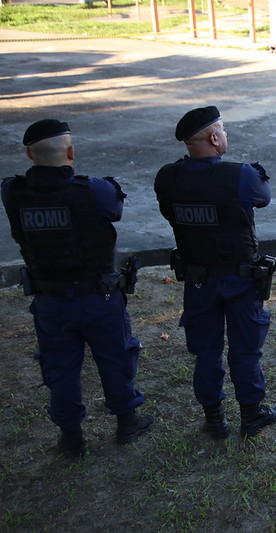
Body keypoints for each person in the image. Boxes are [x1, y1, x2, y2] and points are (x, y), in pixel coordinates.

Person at [1, 119, 153, 459]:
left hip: (50, 298)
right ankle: (127, 421)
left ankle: (71, 437)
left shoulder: (11, 191)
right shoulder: (94, 190)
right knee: (115, 357)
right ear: (71, 152)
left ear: (28, 153)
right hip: (97, 297)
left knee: (60, 366)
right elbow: (114, 208)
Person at [154, 106, 276, 440]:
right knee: (245, 349)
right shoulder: (239, 176)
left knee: (206, 352)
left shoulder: (168, 178)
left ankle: (214, 419)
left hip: (199, 279)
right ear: (214, 137)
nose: (225, 135)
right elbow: (264, 197)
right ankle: (251, 414)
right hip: (239, 279)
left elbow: (170, 212)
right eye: (223, 130)